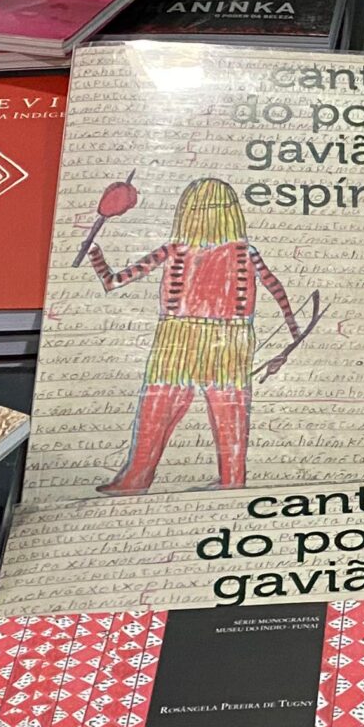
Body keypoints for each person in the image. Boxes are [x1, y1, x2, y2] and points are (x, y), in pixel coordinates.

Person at [88, 178, 309, 495]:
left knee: (158, 408)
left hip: (178, 340)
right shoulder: (246, 253)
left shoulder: (175, 250)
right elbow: (276, 288)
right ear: (232, 212)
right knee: (230, 411)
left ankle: (134, 480)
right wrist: (293, 330)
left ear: (187, 211)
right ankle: (232, 481)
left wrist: (97, 257)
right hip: (228, 343)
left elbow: (113, 281)